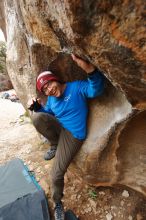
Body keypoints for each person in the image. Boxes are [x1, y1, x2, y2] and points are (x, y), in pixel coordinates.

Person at [28, 54, 105, 220]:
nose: (48, 90)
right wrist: (38, 108)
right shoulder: (52, 99)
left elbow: (95, 90)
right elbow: (49, 113)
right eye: (44, 89)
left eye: (48, 84)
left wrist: (89, 69)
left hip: (73, 135)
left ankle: (57, 203)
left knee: (56, 174)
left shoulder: (76, 88)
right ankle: (54, 145)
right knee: (36, 116)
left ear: (55, 79)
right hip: (60, 127)